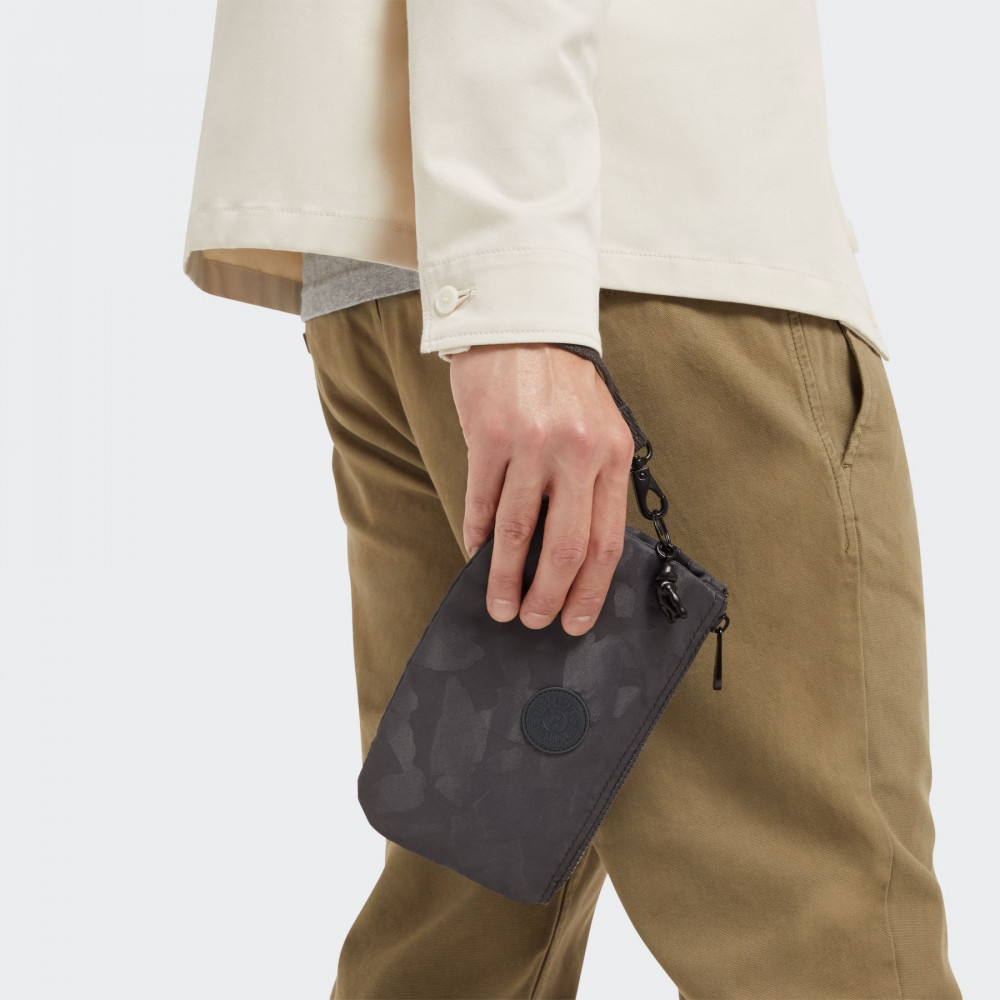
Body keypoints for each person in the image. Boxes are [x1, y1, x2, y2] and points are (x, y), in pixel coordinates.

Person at [183, 2, 960, 997]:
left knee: (462, 923)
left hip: (420, 261)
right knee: (818, 930)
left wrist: (503, 282)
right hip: (624, 244)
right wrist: (518, 294)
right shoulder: (549, 275)